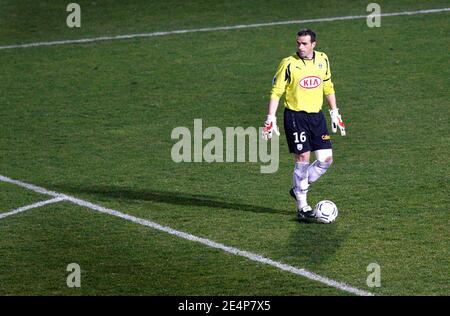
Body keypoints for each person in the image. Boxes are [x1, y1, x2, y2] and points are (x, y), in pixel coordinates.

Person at [262, 28, 346, 222]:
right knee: (303, 158)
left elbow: (328, 86)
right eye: (298, 43)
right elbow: (276, 92)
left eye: (304, 43)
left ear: (313, 44)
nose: (300, 46)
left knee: (326, 159)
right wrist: (270, 118)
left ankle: (298, 188)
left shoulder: (323, 59)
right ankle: (302, 205)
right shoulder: (289, 64)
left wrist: (334, 112)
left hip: (316, 117)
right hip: (295, 116)